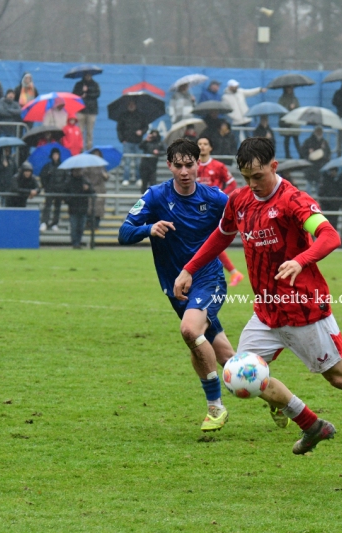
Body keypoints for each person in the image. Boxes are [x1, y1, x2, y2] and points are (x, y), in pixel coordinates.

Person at [174, 137, 342, 481]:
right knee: (244, 376)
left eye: (259, 175)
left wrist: (300, 259)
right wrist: (189, 268)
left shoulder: (294, 201)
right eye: (247, 176)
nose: (253, 184)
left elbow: (329, 236)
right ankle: (312, 424)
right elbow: (221, 236)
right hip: (266, 311)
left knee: (340, 377)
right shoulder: (239, 200)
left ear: (274, 166)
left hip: (304, 310)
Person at [119, 138, 236, 431]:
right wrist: (149, 228)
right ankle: (280, 400)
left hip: (209, 279)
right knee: (226, 357)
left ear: (199, 164)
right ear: (169, 165)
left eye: (190, 164)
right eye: (178, 165)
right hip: (176, 288)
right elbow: (124, 232)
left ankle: (216, 408)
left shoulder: (215, 199)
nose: (184, 171)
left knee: (189, 331)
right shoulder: (155, 197)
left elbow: (243, 222)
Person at [195, 135, 245, 288]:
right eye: (200, 144)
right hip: (198, 209)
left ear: (210, 147)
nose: (202, 146)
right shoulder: (192, 166)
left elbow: (232, 183)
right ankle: (231, 273)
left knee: (208, 241)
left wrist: (220, 194)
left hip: (213, 209)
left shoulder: (218, 166)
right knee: (205, 242)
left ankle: (232, 272)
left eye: (205, 144)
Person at [116, 99, 149, 186]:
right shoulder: (123, 116)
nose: (131, 106)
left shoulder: (141, 115)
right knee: (127, 161)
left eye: (133, 104)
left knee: (138, 161)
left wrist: (141, 132)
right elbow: (119, 129)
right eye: (129, 104)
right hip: (127, 142)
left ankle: (139, 178)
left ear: (135, 105)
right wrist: (122, 139)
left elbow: (146, 126)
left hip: (138, 142)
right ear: (127, 105)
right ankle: (126, 178)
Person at [39, 147, 68, 230]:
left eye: (57, 155)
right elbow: (42, 177)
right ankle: (44, 222)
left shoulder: (63, 166)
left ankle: (55, 223)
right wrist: (46, 186)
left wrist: (63, 187)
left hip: (59, 190)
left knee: (57, 207)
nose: (55, 156)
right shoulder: (47, 166)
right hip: (50, 190)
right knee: (47, 206)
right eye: (54, 155)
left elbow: (66, 178)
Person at [64, 168, 94, 249]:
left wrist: (88, 189)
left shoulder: (85, 181)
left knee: (80, 227)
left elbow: (93, 192)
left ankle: (78, 242)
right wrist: (70, 200)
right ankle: (75, 243)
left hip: (83, 208)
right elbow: (64, 194)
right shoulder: (69, 181)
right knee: (74, 227)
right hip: (73, 209)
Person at [300, 125, 331, 197]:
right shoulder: (309, 141)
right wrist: (308, 152)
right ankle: (308, 201)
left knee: (318, 187)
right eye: (318, 131)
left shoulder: (324, 142)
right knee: (309, 185)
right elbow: (302, 152)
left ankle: (318, 201)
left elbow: (328, 154)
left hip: (319, 168)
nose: (319, 133)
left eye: (320, 131)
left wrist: (323, 152)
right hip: (310, 167)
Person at [72, 72, 100, 150]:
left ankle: (89, 148)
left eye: (89, 75)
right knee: (80, 131)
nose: (88, 76)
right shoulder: (78, 84)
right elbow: (74, 94)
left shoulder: (95, 84)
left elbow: (97, 94)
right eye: (86, 75)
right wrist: (81, 92)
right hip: (81, 110)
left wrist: (88, 92)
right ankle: (80, 148)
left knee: (89, 132)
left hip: (91, 111)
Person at [84, 148, 109, 230]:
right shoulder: (88, 166)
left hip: (100, 189)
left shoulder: (102, 166)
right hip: (91, 188)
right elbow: (85, 175)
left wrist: (105, 175)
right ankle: (89, 224)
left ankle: (96, 225)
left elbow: (106, 177)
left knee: (99, 209)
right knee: (90, 208)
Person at [278, 86, 301, 158]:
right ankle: (287, 155)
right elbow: (280, 109)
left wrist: (294, 107)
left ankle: (301, 155)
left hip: (294, 123)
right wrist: (289, 107)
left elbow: (298, 109)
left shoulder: (295, 99)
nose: (289, 90)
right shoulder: (282, 99)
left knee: (296, 140)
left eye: (291, 88)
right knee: (286, 140)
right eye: (288, 88)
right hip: (286, 123)